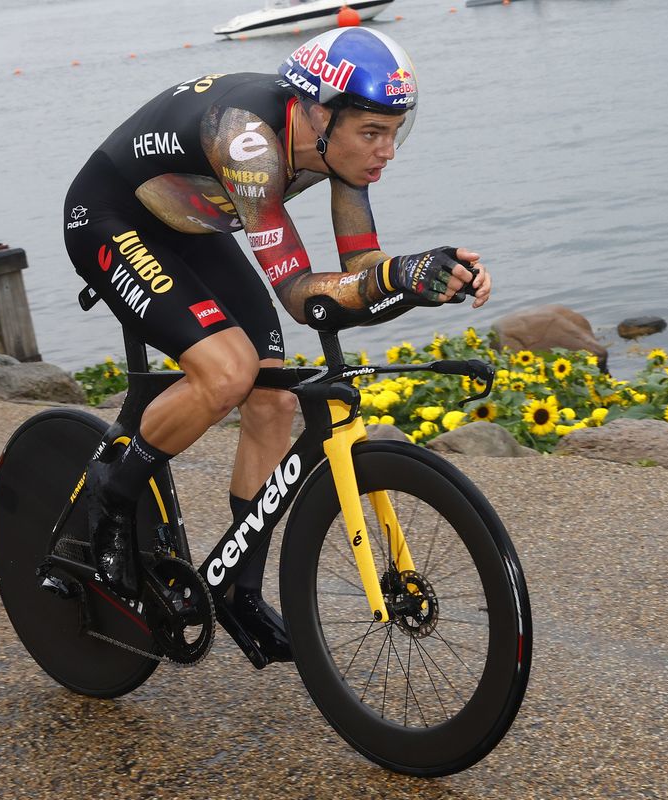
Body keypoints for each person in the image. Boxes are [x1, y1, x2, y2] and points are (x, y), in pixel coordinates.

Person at [63, 27, 490, 662]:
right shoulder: (250, 144)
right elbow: (301, 295)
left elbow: (355, 278)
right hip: (111, 216)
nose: (387, 152)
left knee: (273, 402)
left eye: (395, 133)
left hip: (196, 220)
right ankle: (108, 498)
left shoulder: (339, 152)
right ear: (319, 112)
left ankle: (238, 592)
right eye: (373, 133)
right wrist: (397, 277)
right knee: (228, 372)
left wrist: (419, 280)